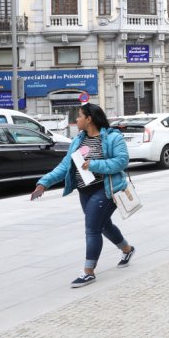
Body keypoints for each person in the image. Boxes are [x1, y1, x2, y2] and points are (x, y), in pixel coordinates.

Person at [31, 103, 135, 288]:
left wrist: (94, 164)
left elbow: (121, 161)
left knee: (92, 228)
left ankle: (88, 272)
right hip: (84, 190)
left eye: (79, 116)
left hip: (107, 189)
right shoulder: (78, 140)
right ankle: (127, 249)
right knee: (103, 225)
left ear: (89, 119)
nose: (76, 120)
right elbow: (65, 166)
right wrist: (44, 182)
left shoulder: (112, 138)